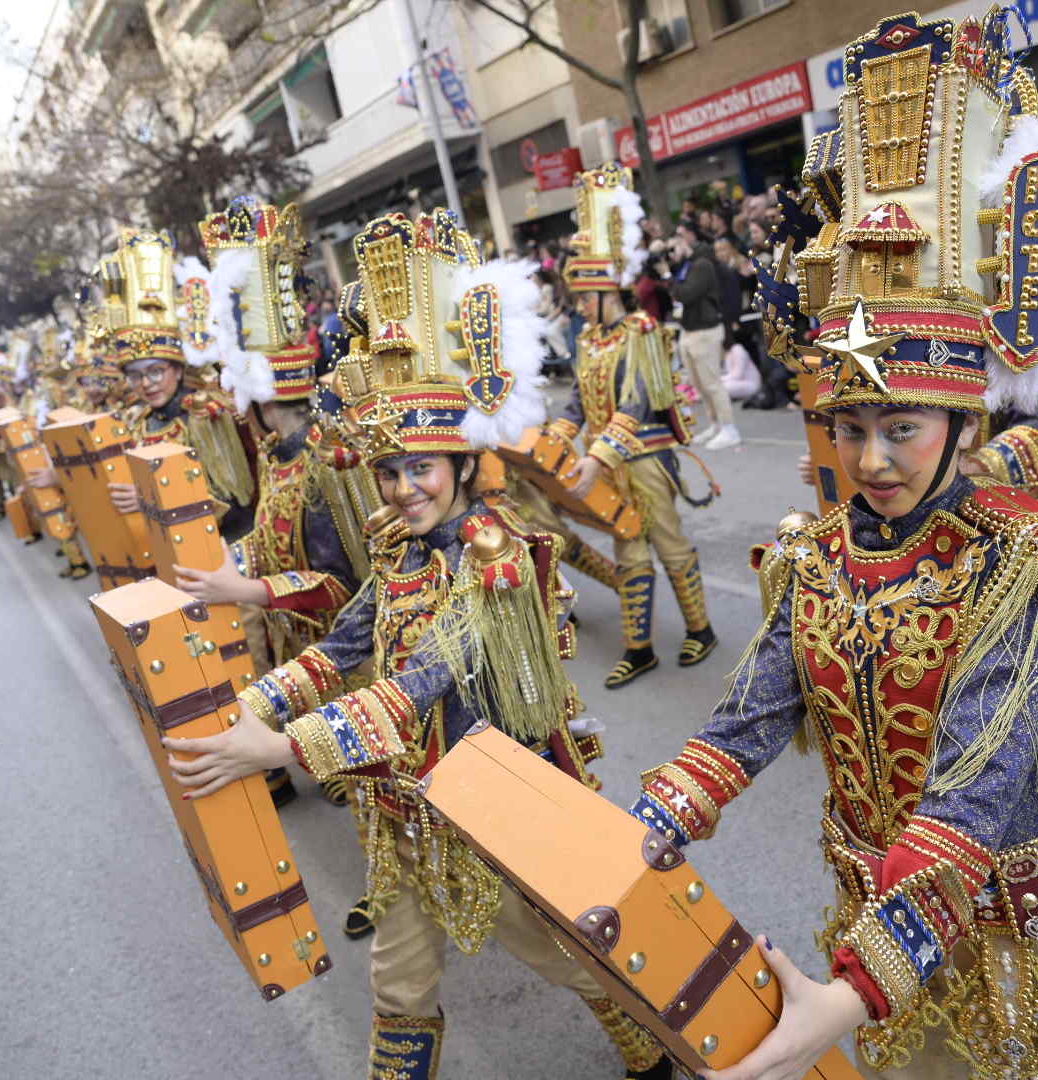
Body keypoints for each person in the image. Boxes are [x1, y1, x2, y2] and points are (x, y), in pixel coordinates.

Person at [636, 12, 1038, 1078]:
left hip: (1017, 918)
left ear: (967, 427)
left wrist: (849, 994)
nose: (872, 459)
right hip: (881, 907)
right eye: (851, 430)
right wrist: (656, 818)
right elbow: (755, 707)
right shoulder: (817, 557)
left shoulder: (1015, 559)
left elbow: (978, 783)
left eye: (903, 429)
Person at [159, 207, 672, 1080]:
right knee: (398, 988)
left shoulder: (503, 559)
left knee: (565, 953)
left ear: (466, 464)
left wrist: (282, 745)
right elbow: (343, 643)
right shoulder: (396, 549)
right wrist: (249, 703)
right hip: (405, 807)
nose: (401, 488)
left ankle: (652, 1053)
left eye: (421, 469)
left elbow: (421, 684)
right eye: (390, 472)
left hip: (494, 804)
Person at [173, 196, 379, 825]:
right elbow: (273, 531)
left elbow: (347, 582)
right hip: (304, 647)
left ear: (261, 399)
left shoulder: (325, 460)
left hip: (352, 650)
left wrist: (252, 586)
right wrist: (241, 563)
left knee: (375, 788)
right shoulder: (275, 450)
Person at [559, 162, 720, 689]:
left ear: (609, 292)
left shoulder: (642, 332)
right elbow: (578, 402)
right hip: (606, 462)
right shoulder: (586, 343)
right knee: (629, 551)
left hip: (646, 460)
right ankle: (640, 647)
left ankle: (701, 628)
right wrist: (558, 437)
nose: (580, 308)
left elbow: (639, 401)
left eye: (585, 297)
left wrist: (595, 456)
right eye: (578, 299)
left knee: (669, 543)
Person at [103, 229, 258, 542]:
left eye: (156, 371)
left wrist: (151, 501)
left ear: (176, 368)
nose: (146, 384)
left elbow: (235, 505)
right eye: (135, 376)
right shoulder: (138, 423)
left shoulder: (206, 414)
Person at [670, 221, 741, 448]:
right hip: (689, 330)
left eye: (680, 237)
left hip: (705, 331)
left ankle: (730, 429)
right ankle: (716, 424)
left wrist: (666, 274)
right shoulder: (688, 264)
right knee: (699, 384)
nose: (676, 242)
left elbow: (686, 293)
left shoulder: (702, 264)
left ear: (691, 237)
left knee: (712, 383)